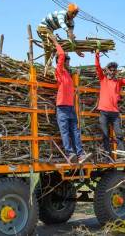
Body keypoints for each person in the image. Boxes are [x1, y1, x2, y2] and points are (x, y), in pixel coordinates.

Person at [49, 35, 86, 163]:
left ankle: (80, 154)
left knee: (75, 131)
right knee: (65, 132)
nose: (68, 62)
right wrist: (54, 41)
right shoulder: (59, 71)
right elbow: (61, 55)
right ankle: (70, 154)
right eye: (67, 60)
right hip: (62, 107)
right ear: (62, 62)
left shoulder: (68, 75)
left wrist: (74, 91)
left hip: (70, 107)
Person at [95, 51, 125, 158]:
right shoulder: (103, 79)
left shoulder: (119, 82)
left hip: (114, 113)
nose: (112, 72)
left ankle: (122, 155)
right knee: (105, 135)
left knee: (119, 134)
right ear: (107, 71)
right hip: (103, 112)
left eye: (114, 70)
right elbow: (97, 67)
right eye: (110, 70)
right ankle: (107, 156)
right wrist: (97, 55)